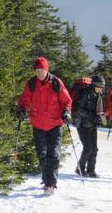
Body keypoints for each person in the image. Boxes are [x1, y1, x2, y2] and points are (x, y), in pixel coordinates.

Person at [17, 57, 72, 195]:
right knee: (42, 155)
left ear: (46, 69)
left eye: (41, 70)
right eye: (37, 70)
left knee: (53, 154)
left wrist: (66, 112)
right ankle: (46, 177)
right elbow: (24, 99)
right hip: (38, 124)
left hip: (55, 124)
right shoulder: (31, 84)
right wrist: (22, 109)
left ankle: (51, 183)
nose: (39, 73)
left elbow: (67, 101)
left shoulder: (56, 83)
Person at [72, 75, 106, 178]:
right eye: (100, 86)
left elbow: (97, 110)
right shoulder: (84, 93)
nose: (101, 88)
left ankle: (91, 170)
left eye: (102, 86)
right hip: (82, 124)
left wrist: (99, 119)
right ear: (94, 85)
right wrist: (92, 117)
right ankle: (80, 169)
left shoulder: (97, 94)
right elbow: (78, 109)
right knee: (88, 148)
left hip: (92, 124)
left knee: (94, 149)